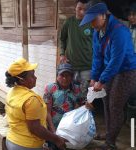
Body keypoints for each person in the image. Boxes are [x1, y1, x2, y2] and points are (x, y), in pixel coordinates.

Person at [80, 0, 136, 149]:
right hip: (110, 69)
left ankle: (110, 143)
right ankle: (110, 132)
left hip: (127, 71)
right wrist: (94, 77)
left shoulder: (119, 31)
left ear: (103, 15)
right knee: (106, 102)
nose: (91, 23)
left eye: (93, 19)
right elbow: (97, 57)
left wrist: (102, 79)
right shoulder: (97, 32)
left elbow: (117, 60)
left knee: (115, 105)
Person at [5, 58, 66, 150]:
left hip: (12, 141)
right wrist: (57, 140)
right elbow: (35, 128)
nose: (36, 78)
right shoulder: (31, 100)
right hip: (27, 145)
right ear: (22, 80)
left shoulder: (12, 92)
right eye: (32, 75)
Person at [43, 63, 83, 150]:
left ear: (72, 77)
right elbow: (47, 112)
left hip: (69, 129)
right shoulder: (50, 88)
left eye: (68, 75)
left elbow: (77, 110)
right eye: (62, 75)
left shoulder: (77, 89)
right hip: (53, 127)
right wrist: (54, 132)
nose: (65, 78)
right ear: (57, 76)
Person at [60, 0, 93, 98]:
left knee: (84, 93)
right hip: (71, 65)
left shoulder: (91, 24)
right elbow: (62, 39)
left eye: (85, 9)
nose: (82, 12)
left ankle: (82, 112)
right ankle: (70, 112)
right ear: (75, 8)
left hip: (87, 66)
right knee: (70, 91)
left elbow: (96, 44)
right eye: (79, 9)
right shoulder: (68, 22)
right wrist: (62, 54)